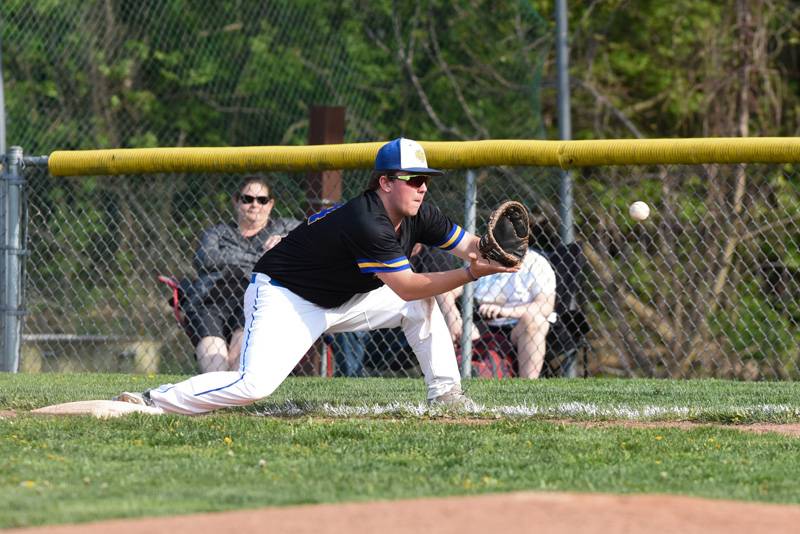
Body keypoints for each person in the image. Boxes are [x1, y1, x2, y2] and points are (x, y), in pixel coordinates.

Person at [115, 137, 517, 414]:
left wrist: (498, 255)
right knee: (253, 386)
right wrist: (470, 274)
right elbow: (409, 285)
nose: (423, 187)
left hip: (346, 298)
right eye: (414, 179)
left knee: (421, 308)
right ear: (385, 182)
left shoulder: (418, 211)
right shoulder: (368, 221)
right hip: (287, 298)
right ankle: (152, 399)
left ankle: (445, 393)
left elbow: (470, 247)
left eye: (426, 179)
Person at [182, 176, 298, 372]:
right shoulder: (218, 232)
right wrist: (261, 258)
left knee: (240, 356)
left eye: (261, 200)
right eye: (248, 199)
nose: (255, 205)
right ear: (236, 201)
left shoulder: (283, 228)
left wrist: (285, 240)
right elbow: (205, 259)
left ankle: (233, 397)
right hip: (212, 298)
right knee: (214, 362)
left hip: (254, 299)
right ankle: (214, 397)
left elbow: (313, 235)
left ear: (270, 204)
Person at [440, 247, 557, 378]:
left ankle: (528, 385)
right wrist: (453, 318)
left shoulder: (537, 263)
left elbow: (545, 306)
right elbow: (445, 291)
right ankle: (445, 378)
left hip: (516, 330)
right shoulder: (483, 260)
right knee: (439, 313)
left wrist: (505, 312)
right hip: (481, 329)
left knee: (536, 321)